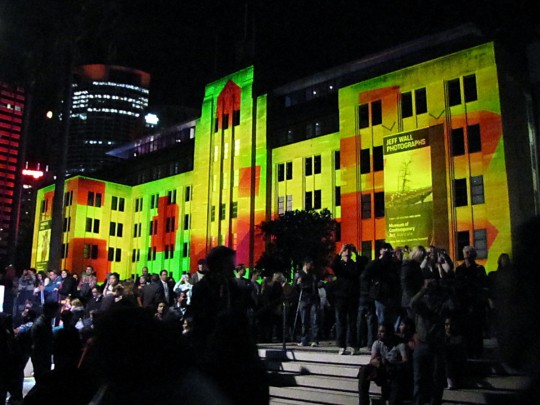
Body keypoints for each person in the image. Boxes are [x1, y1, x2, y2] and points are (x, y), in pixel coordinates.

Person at [357, 323, 410, 405]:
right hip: (382, 370)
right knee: (364, 370)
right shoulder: (377, 343)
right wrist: (378, 363)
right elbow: (372, 360)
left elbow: (405, 362)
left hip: (395, 372)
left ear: (389, 333)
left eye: (382, 332)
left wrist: (392, 364)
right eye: (379, 331)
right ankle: (363, 402)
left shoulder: (400, 345)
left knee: (396, 376)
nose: (379, 334)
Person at [455, 245, 488, 359]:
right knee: (466, 331)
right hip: (464, 304)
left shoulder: (479, 269)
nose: (467, 255)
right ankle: (468, 353)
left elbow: (481, 285)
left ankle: (478, 353)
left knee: (477, 331)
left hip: (476, 304)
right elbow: (458, 286)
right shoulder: (459, 270)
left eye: (469, 252)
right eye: (466, 252)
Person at [329, 243, 362, 355]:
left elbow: (360, 268)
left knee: (352, 322)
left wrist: (356, 254)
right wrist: (339, 252)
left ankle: (352, 344)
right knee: (340, 322)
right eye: (345, 251)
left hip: (352, 296)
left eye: (348, 251)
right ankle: (341, 345)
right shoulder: (339, 265)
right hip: (340, 297)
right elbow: (333, 266)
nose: (347, 252)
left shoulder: (354, 265)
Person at [30, 302, 59, 383]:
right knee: (41, 380)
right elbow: (37, 343)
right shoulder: (40, 324)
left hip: (44, 356)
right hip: (40, 357)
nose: (58, 312)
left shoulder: (46, 322)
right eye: (56, 310)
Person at [296, 257, 321, 347]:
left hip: (312, 298)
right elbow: (296, 287)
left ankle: (315, 339)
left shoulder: (312, 274)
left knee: (314, 320)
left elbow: (316, 284)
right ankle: (304, 339)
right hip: (303, 299)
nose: (312, 266)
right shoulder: (299, 274)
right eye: (310, 264)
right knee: (304, 321)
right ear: (306, 265)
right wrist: (298, 283)